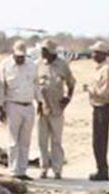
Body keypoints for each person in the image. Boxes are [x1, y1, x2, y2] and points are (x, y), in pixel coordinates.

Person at [37, 39, 76, 180]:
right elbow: (34, 85)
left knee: (56, 141)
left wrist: (68, 98)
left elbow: (71, 83)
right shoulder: (38, 65)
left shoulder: (62, 65)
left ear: (51, 52)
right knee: (42, 141)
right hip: (42, 109)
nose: (42, 53)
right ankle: (43, 168)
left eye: (45, 50)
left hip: (57, 108)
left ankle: (57, 169)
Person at [0, 40, 38, 180]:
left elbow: (36, 85)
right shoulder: (5, 65)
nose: (20, 58)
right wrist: (1, 108)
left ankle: (22, 171)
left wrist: (39, 102)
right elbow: (1, 88)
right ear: (13, 54)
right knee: (13, 141)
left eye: (23, 56)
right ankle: (13, 171)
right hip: (12, 105)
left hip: (29, 106)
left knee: (25, 141)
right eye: (18, 56)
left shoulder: (32, 66)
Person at [85, 41, 109, 181]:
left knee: (100, 140)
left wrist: (89, 89)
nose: (92, 55)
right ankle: (101, 169)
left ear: (102, 54)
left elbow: (103, 92)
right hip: (97, 107)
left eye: (95, 52)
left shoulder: (106, 70)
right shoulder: (100, 68)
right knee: (97, 141)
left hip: (103, 107)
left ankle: (103, 171)